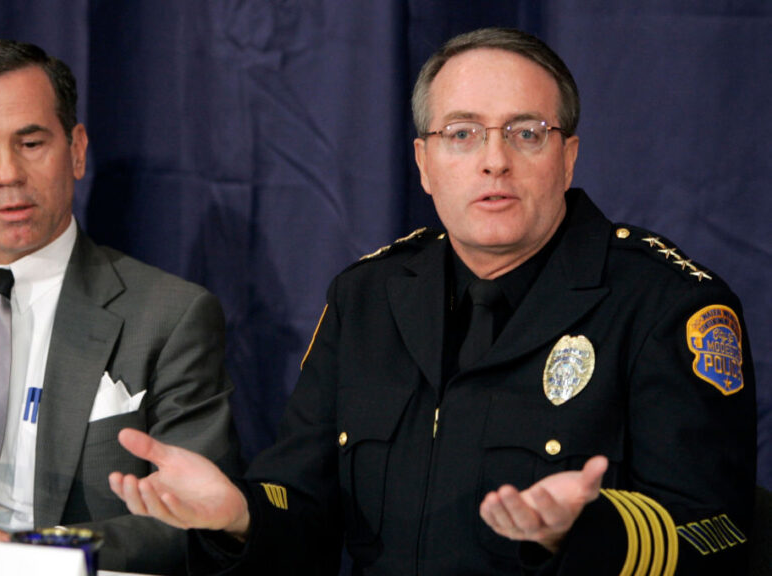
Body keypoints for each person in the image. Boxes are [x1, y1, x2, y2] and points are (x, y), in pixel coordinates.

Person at [109, 27, 756, 574]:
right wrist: (239, 516)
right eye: (461, 134)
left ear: (567, 157)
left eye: (526, 133)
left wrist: (578, 531)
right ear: (423, 163)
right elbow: (305, 510)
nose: (493, 160)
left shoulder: (665, 306)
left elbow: (716, 536)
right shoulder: (365, 298)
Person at [0, 40, 242, 574]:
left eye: (31, 142)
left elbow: (194, 520)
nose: (7, 173)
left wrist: (29, 553)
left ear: (77, 149)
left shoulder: (169, 317)